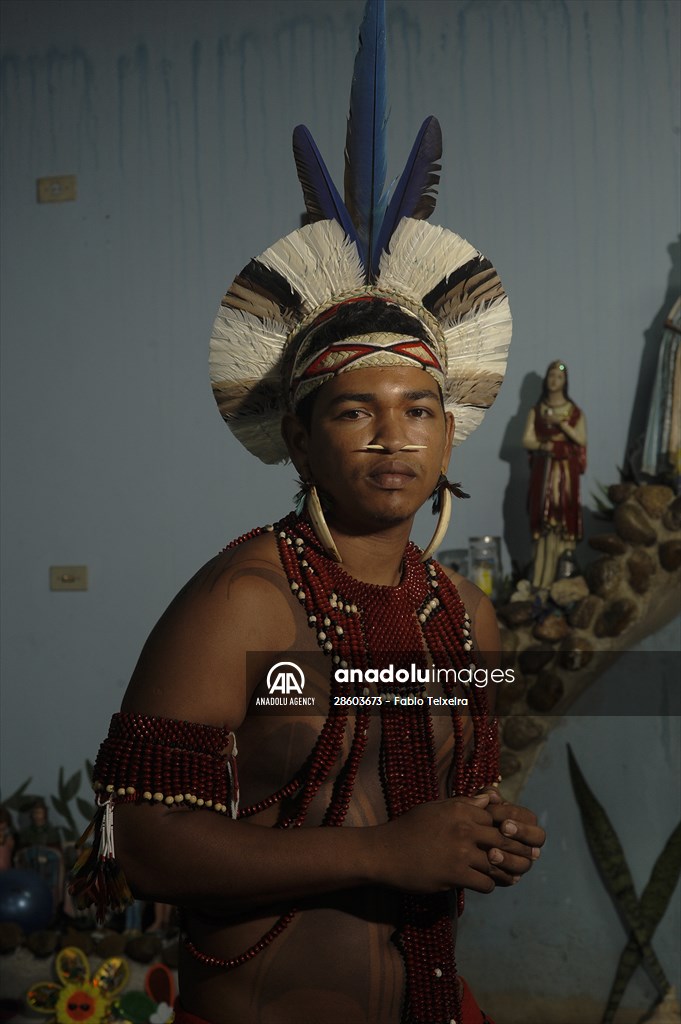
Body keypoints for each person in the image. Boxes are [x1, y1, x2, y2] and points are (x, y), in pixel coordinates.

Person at [71, 4, 545, 1022]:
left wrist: (487, 835)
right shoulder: (245, 606)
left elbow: (449, 807)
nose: (393, 436)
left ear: (450, 434)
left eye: (420, 409)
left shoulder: (466, 617)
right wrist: (384, 851)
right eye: (355, 410)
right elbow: (141, 842)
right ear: (300, 436)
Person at [523, 360, 587, 589]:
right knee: (543, 516)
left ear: (565, 382)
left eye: (559, 377)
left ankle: (563, 576)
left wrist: (562, 425)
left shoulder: (573, 412)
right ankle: (540, 578)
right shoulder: (537, 411)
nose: (554, 381)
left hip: (566, 474)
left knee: (564, 513)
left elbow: (581, 439)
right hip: (545, 470)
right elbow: (527, 439)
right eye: (551, 376)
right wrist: (544, 447)